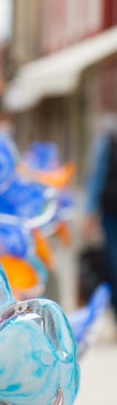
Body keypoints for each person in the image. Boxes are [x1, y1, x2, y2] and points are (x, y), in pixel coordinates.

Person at [84, 114, 117, 315]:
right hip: (111, 211)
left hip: (111, 211)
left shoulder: (107, 138)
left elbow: (96, 177)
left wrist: (90, 212)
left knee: (113, 261)